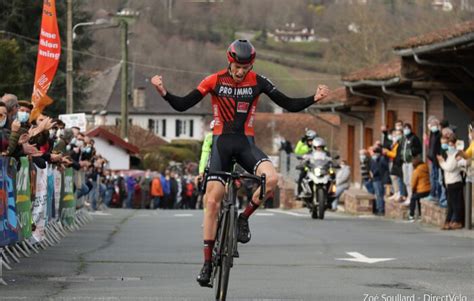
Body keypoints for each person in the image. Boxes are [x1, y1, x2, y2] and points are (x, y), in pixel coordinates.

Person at [151, 39, 329, 287]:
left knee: (273, 179)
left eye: (245, 67)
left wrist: (314, 98)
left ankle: (243, 217)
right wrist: (163, 92)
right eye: (237, 66)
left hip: (246, 144)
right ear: (229, 61)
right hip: (221, 144)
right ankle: (206, 263)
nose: (240, 71)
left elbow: (288, 104)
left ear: (251, 65)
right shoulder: (214, 80)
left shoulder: (258, 81)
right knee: (212, 201)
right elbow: (183, 105)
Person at [438, 134, 466, 230]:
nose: (449, 146)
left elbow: (449, 168)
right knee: (450, 204)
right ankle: (448, 221)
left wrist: (441, 162)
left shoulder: (456, 155)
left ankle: (457, 221)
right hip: (449, 182)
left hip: (455, 182)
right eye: (448, 144)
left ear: (455, 145)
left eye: (451, 144)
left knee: (456, 204)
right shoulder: (450, 154)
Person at [400, 123, 422, 204]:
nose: (406, 130)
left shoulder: (414, 138)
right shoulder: (403, 138)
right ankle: (409, 196)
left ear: (410, 129)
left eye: (407, 128)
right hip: (404, 162)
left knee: (411, 180)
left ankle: (412, 197)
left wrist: (411, 152)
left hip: (411, 162)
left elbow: (419, 149)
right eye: (404, 128)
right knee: (405, 180)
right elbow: (401, 149)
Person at [295, 129, 318, 199]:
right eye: (309, 141)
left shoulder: (320, 147)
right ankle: (299, 193)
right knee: (301, 177)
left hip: (318, 168)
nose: (310, 142)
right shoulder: (306, 148)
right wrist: (301, 142)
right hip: (308, 168)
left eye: (312, 140)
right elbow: (297, 151)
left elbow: (326, 153)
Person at [408, 156, 431, 221]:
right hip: (428, 189)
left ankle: (411, 215)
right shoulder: (426, 167)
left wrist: (412, 191)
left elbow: (413, 183)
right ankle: (420, 214)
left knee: (413, 198)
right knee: (418, 198)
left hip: (421, 190)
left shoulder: (416, 171)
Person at [370, 147, 389, 215]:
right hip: (376, 179)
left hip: (378, 178)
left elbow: (380, 168)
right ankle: (379, 208)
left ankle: (380, 209)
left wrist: (373, 173)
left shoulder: (381, 159)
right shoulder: (374, 159)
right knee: (378, 194)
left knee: (379, 194)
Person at [427, 116, 442, 201]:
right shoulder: (432, 134)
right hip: (432, 159)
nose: (432, 127)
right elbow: (430, 147)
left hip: (437, 160)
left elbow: (438, 148)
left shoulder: (439, 135)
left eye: (434, 125)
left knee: (436, 178)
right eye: (431, 125)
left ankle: (437, 195)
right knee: (433, 177)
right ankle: (433, 193)